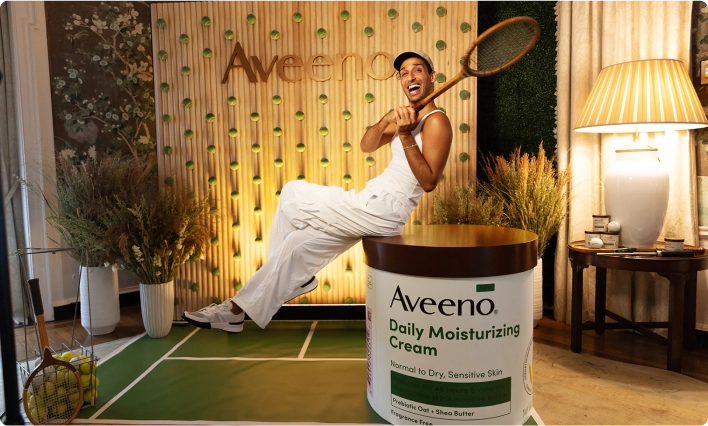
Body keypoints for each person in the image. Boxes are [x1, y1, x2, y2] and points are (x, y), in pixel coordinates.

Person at [182, 51, 453, 333]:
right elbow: (367, 145)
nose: (410, 76)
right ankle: (235, 312)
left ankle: (293, 282)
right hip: (372, 203)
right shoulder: (406, 118)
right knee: (295, 245)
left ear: (431, 77)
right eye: (404, 73)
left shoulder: (436, 121)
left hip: (384, 208)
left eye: (417, 70)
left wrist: (407, 135)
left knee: (292, 193)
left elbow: (429, 181)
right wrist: (388, 119)